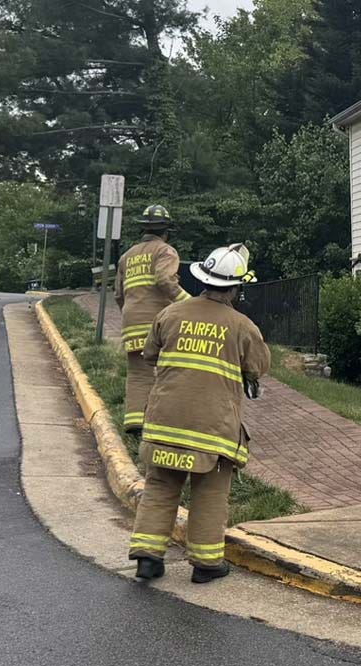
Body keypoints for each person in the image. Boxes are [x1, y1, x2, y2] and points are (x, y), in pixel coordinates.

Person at [127, 244, 269, 583]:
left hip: (163, 423)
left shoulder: (170, 314)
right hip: (212, 431)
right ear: (236, 287)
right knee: (209, 492)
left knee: (160, 487)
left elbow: (149, 354)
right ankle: (206, 565)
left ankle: (147, 558)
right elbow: (258, 367)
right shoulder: (242, 325)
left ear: (202, 279)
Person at [114, 204, 190, 435]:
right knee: (171, 370)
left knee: (137, 374)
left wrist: (130, 312)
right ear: (166, 231)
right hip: (158, 322)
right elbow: (165, 281)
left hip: (131, 320)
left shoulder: (127, 256)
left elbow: (118, 293)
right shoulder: (165, 251)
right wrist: (190, 304)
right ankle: (165, 424)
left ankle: (135, 423)